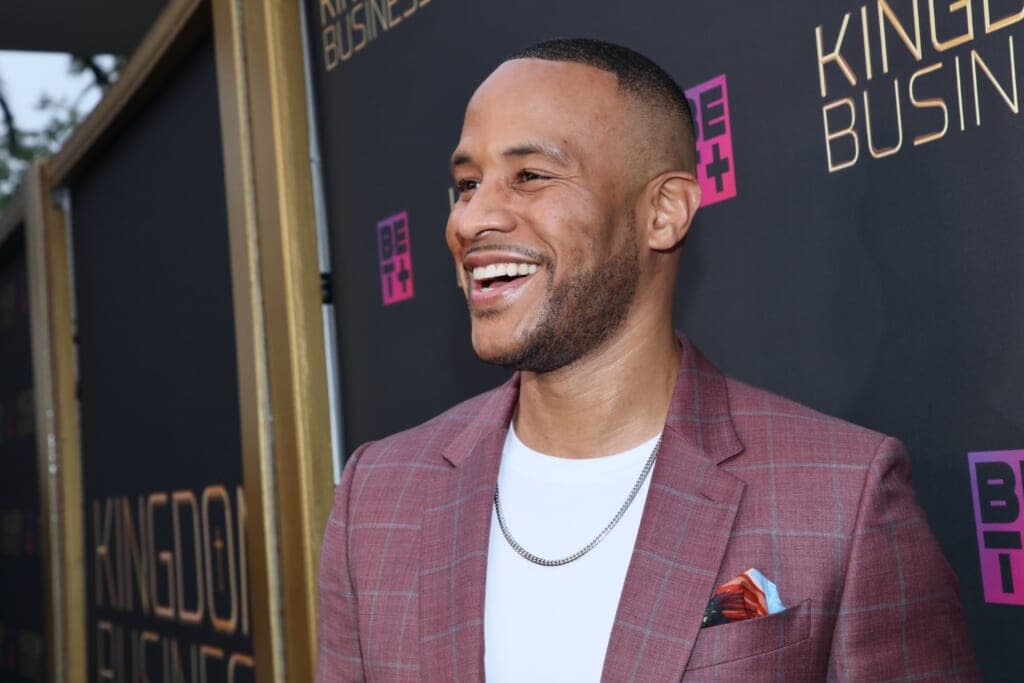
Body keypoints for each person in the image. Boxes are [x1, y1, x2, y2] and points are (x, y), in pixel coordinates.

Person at [316, 38, 977, 681]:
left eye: (530, 176)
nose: (469, 220)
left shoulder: (842, 496)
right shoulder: (377, 497)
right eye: (466, 184)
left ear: (664, 212)